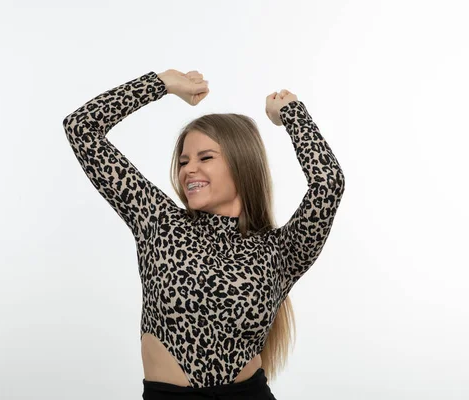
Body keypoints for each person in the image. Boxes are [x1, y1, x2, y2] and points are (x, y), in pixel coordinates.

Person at [62, 69, 345, 399]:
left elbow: (329, 183)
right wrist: (162, 83)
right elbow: (81, 129)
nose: (188, 170)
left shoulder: (280, 251)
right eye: (183, 161)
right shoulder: (159, 222)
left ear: (242, 164)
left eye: (205, 157)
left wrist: (291, 113)